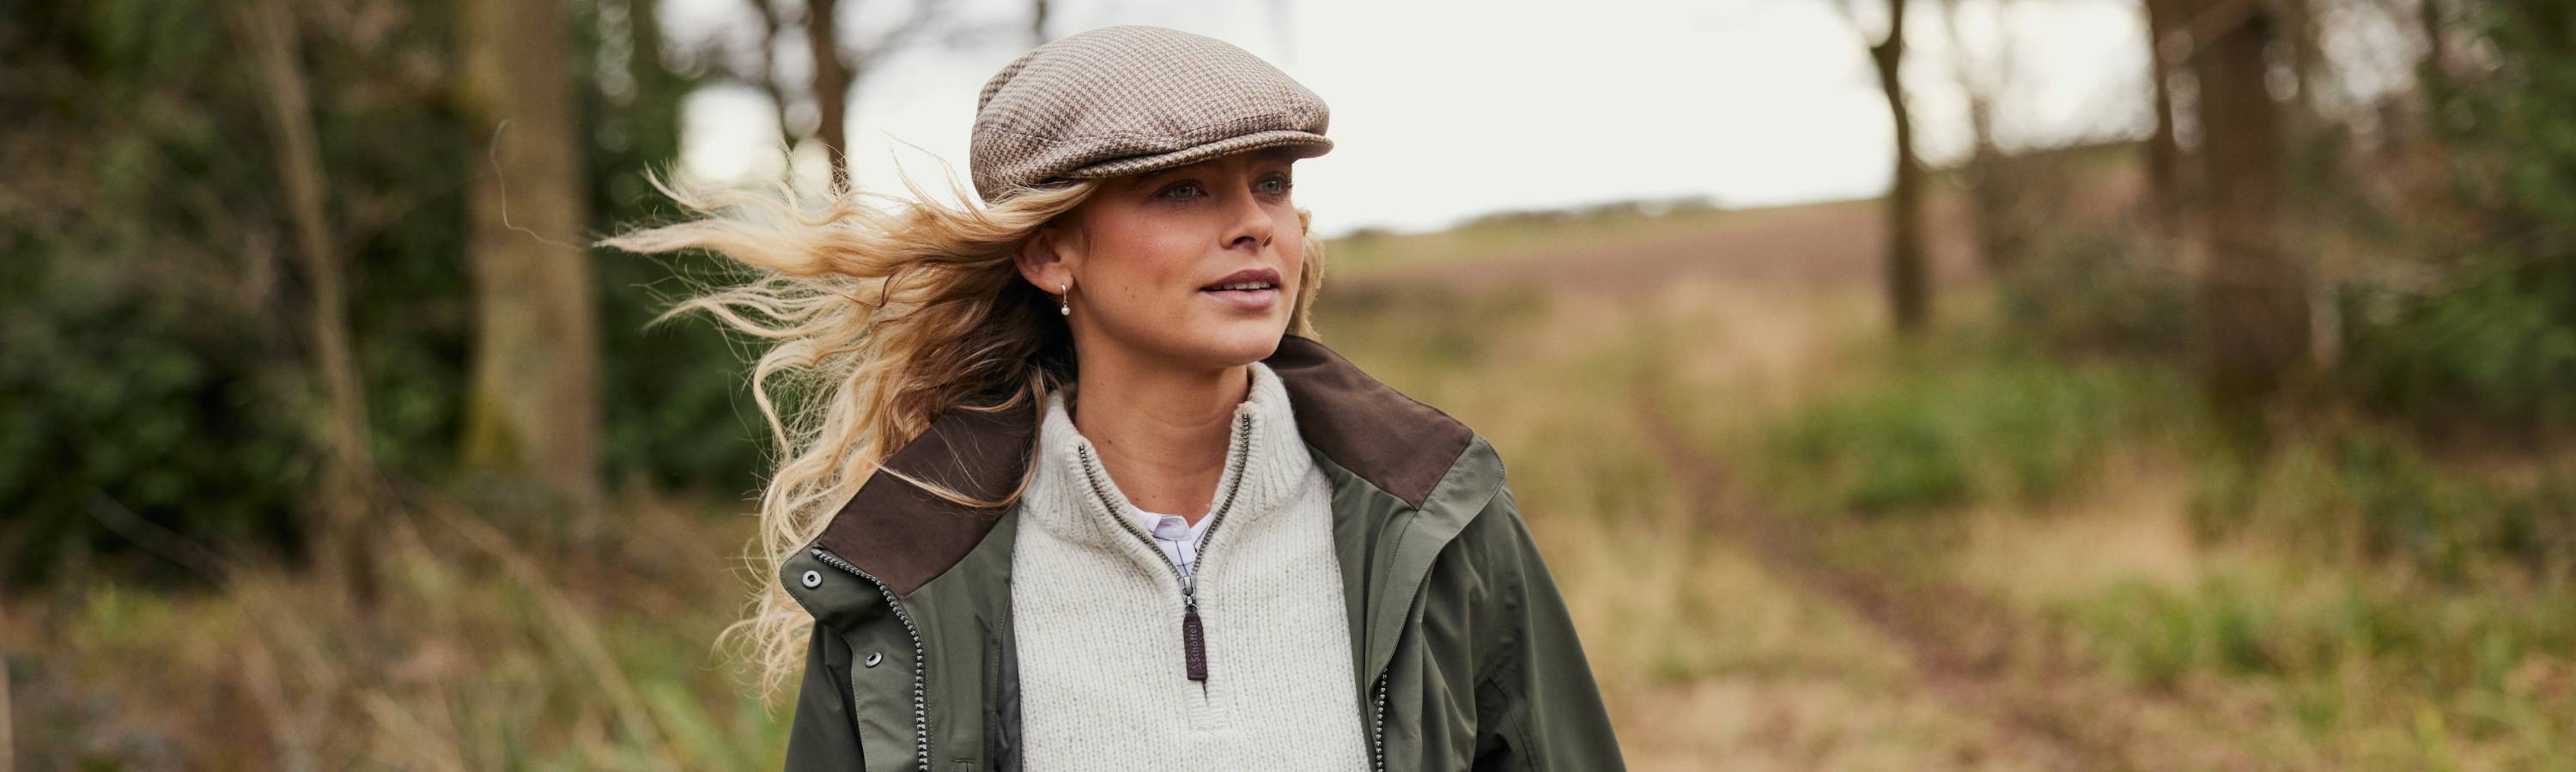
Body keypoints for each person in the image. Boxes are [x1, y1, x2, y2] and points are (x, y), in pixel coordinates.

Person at [602, 24, 1623, 771]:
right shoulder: (910, 572)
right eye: (1184, 190)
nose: (1255, 224)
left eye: (1271, 184)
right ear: (1051, 250)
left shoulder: (1438, 514)